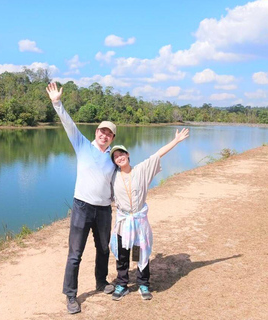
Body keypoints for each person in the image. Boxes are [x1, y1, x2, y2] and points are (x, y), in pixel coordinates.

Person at [46, 82, 116, 314]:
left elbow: (120, 182)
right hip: (82, 207)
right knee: (75, 254)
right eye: (101, 131)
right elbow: (69, 123)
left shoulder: (114, 158)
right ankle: (71, 295)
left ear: (112, 137)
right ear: (96, 132)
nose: (104, 135)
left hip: (104, 210)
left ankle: (101, 282)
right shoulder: (82, 144)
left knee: (104, 249)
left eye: (108, 133)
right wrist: (57, 103)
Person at [109, 127, 190, 301]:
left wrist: (175, 141)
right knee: (122, 254)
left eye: (121, 154)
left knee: (140, 252)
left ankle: (143, 283)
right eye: (115, 157)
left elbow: (158, 154)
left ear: (128, 154)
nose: (119, 158)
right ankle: (122, 284)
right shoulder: (112, 176)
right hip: (123, 222)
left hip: (138, 221)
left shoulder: (141, 170)